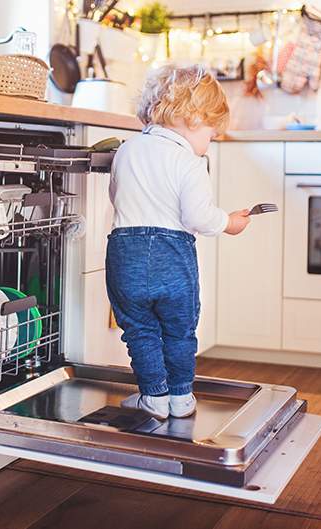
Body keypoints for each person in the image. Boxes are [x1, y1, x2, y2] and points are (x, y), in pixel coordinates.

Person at [106, 64, 251, 420]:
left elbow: (115, 195)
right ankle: (182, 397)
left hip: (125, 251)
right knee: (179, 330)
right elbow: (198, 217)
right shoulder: (189, 161)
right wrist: (229, 222)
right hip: (173, 255)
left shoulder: (127, 150)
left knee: (140, 330)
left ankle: (154, 396)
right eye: (211, 135)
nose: (209, 142)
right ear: (194, 117)